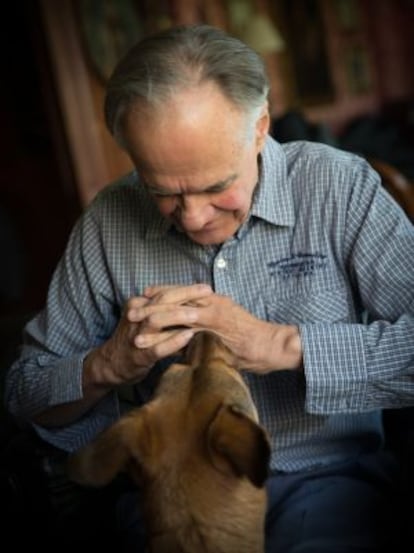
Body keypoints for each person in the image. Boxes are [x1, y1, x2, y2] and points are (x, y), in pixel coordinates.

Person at [4, 23, 414, 552]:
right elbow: (23, 394)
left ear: (261, 127)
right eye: (163, 193)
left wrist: (281, 345)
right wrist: (109, 364)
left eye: (216, 186)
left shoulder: (339, 188)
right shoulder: (107, 222)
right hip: (167, 498)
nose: (194, 217)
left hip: (329, 483)